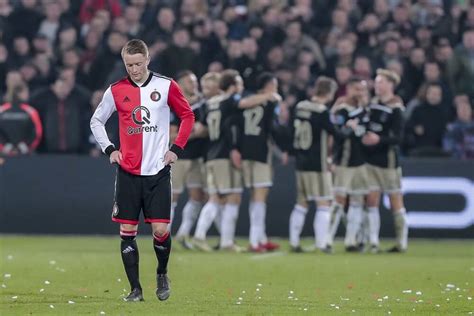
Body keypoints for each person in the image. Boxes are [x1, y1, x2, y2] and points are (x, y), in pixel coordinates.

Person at [90, 39, 194, 302]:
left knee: (160, 231)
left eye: (138, 64)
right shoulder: (116, 90)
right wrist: (110, 150)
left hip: (158, 172)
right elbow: (96, 121)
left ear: (147, 60)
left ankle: (162, 272)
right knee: (127, 230)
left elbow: (187, 116)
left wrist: (176, 149)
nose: (134, 69)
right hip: (128, 172)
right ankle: (135, 289)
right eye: (129, 65)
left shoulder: (166, 85)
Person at [288, 76, 350, 253]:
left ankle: (294, 242)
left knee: (301, 203)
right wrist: (349, 128)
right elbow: (337, 134)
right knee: (323, 204)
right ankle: (322, 244)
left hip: (300, 161)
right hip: (318, 163)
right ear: (330, 92)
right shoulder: (322, 111)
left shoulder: (300, 106)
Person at [237, 72, 285, 252]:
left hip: (245, 150)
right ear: (267, 86)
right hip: (262, 151)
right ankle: (254, 241)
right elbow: (274, 127)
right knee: (260, 196)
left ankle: (261, 237)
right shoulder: (271, 101)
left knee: (256, 195)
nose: (277, 89)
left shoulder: (248, 99)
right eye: (274, 85)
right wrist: (283, 149)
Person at [363, 69, 407, 252]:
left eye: (380, 82)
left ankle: (402, 242)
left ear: (390, 84)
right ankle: (373, 242)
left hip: (388, 162)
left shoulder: (396, 108)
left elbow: (398, 138)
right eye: (376, 81)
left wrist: (379, 139)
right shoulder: (371, 104)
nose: (376, 85)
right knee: (371, 201)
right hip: (370, 159)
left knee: (395, 201)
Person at [327, 77, 370, 252]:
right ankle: (327, 239)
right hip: (344, 161)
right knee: (338, 200)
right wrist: (332, 158)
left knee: (357, 200)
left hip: (361, 161)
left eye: (362, 89)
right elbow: (336, 135)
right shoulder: (341, 111)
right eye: (357, 89)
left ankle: (351, 240)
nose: (360, 93)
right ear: (349, 90)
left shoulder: (365, 111)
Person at [171, 70, 207, 249]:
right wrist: (194, 133)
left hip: (198, 157)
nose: (194, 84)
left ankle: (183, 234)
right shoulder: (173, 105)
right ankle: (163, 236)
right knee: (172, 196)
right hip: (179, 156)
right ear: (179, 84)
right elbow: (172, 136)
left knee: (197, 197)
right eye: (189, 81)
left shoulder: (201, 105)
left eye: (194, 80)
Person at [0, 84, 42, 156]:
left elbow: (37, 132)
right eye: (26, 92)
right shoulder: (30, 111)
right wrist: (25, 147)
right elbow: (37, 132)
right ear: (19, 94)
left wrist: (6, 147)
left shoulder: (2, 109)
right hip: (24, 153)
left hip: (8, 151)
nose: (28, 95)